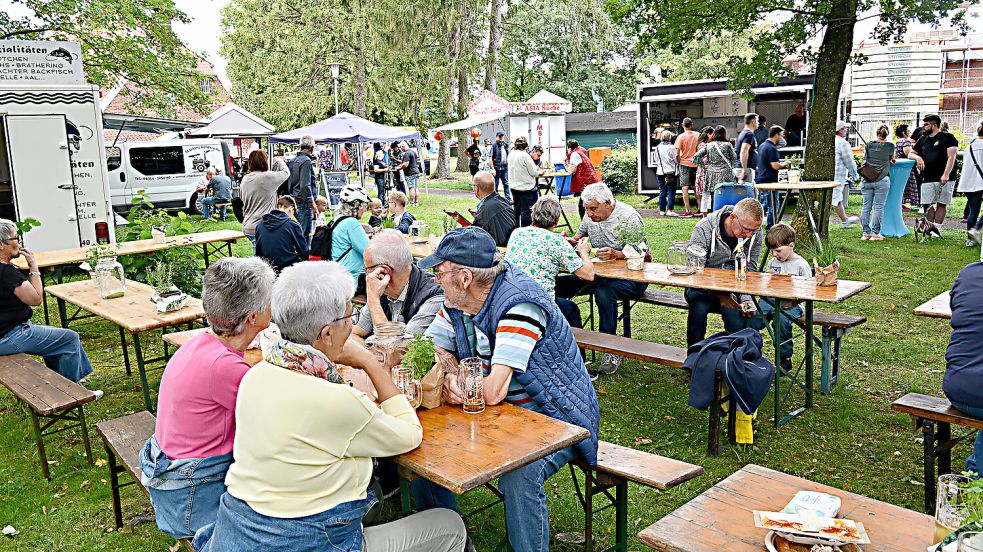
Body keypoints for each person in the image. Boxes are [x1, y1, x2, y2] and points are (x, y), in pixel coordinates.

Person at [191, 261, 467, 552]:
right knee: (449, 525)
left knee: (373, 493)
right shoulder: (334, 400)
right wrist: (369, 361)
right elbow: (409, 434)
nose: (352, 324)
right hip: (307, 542)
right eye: (350, 316)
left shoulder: (255, 376)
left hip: (239, 534)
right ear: (326, 334)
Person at [411, 227, 600, 552]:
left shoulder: (519, 304)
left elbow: (494, 389)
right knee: (420, 447)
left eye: (439, 272)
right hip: (498, 415)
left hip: (557, 420)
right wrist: (456, 374)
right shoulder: (458, 301)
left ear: (464, 277)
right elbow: (431, 348)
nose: (435, 280)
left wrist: (462, 385)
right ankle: (449, 541)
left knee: (520, 475)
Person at [141, 257, 275, 540]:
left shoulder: (202, 344)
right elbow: (278, 420)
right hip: (191, 500)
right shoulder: (225, 367)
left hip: (174, 480)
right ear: (253, 317)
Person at [555, 182, 647, 376]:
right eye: (586, 209)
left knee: (604, 291)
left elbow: (644, 254)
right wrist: (570, 241)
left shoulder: (629, 217)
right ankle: (563, 344)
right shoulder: (590, 217)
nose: (588, 214)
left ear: (608, 203)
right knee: (557, 285)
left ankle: (610, 348)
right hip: (597, 274)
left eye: (593, 209)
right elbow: (578, 236)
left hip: (633, 278)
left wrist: (617, 253)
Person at [0, 219, 99, 392]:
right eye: (16, 238)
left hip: (6, 332)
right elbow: (36, 299)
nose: (20, 242)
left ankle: (58, 385)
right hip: (9, 336)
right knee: (69, 339)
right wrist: (33, 265)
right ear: (1, 244)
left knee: (54, 343)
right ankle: (72, 392)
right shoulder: (6, 273)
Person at [684, 198, 764, 348]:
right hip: (701, 288)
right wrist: (721, 295)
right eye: (746, 229)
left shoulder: (755, 232)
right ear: (732, 217)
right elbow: (695, 272)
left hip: (733, 289)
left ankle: (733, 359)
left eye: (753, 231)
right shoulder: (704, 229)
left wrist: (746, 297)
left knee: (736, 318)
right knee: (699, 307)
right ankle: (694, 355)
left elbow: (750, 269)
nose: (749, 235)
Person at [505, 196, 594, 329]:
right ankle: (574, 349)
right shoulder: (556, 242)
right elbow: (588, 274)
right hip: (539, 303)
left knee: (564, 286)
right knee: (571, 309)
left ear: (533, 214)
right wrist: (583, 252)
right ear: (557, 220)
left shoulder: (517, 233)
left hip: (511, 297)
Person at [350, 230, 444, 343]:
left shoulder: (434, 296)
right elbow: (358, 331)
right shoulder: (382, 288)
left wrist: (373, 299)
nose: (367, 275)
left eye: (367, 269)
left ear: (384, 272)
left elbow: (399, 350)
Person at [747, 224, 810, 372]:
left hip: (792, 304)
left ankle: (784, 358)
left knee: (780, 321)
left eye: (778, 251)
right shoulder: (773, 263)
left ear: (791, 245)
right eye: (772, 251)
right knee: (751, 317)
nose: (775, 254)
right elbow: (766, 283)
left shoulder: (801, 265)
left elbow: (808, 290)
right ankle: (750, 353)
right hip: (770, 300)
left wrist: (793, 298)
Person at [943, 261, 983, 475]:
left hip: (958, 387)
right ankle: (977, 472)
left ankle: (977, 469)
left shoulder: (969, 273)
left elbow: (957, 306)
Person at [910, 114, 959, 235]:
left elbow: (951, 157)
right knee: (926, 203)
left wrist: (946, 174)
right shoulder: (923, 139)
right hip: (927, 176)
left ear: (934, 125)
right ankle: (929, 227)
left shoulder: (948, 137)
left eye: (926, 124)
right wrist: (918, 158)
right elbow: (911, 153)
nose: (923, 127)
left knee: (942, 203)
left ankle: (937, 229)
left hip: (945, 176)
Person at [326, 184, 371, 294]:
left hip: (336, 278)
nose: (365, 210)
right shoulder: (351, 222)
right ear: (356, 205)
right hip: (352, 281)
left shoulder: (336, 220)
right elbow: (369, 251)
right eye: (364, 206)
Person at [240, 151, 290, 248]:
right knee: (263, 260)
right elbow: (286, 173)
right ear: (264, 162)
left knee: (261, 257)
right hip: (262, 227)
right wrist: (278, 160)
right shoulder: (266, 177)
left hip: (248, 225)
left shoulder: (245, 178)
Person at [255, 196, 310, 273]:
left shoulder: (260, 223)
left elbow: (258, 251)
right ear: (291, 209)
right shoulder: (292, 225)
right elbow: (304, 252)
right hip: (287, 269)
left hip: (265, 268)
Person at [860, 125, 895, 241]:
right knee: (878, 207)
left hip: (867, 179)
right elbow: (892, 159)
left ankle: (865, 233)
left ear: (877, 133)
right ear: (887, 134)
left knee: (866, 207)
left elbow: (866, 159)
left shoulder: (869, 145)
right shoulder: (890, 146)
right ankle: (875, 233)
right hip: (882, 180)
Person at [694, 126, 737, 212]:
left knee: (713, 194)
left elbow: (696, 157)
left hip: (711, 173)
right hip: (726, 174)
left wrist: (704, 166)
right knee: (726, 194)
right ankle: (725, 212)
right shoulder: (728, 145)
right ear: (724, 134)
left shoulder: (709, 145)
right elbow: (734, 158)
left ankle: (713, 213)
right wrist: (731, 166)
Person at [471, 171, 516, 247]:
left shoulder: (484, 210)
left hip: (497, 250)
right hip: (511, 245)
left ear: (476, 188)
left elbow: (475, 238)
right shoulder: (504, 201)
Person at [287, 135, 318, 244]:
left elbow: (290, 182)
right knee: (305, 236)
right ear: (312, 148)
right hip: (303, 202)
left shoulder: (292, 161)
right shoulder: (306, 161)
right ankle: (303, 258)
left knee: (301, 233)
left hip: (294, 200)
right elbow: (305, 185)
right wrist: (312, 203)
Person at [506, 136, 544, 227]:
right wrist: (540, 172)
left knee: (516, 210)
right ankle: (525, 229)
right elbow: (533, 172)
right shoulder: (525, 156)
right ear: (525, 146)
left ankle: (514, 228)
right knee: (526, 211)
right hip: (526, 188)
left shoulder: (511, 154)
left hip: (514, 187)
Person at [756, 126, 787, 227]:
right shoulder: (771, 148)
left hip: (761, 179)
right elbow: (775, 165)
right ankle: (770, 227)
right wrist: (785, 164)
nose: (782, 138)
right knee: (773, 206)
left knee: (763, 204)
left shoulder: (762, 146)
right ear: (776, 135)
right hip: (770, 182)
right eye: (781, 135)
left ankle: (757, 224)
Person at [833, 121, 862, 228]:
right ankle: (845, 220)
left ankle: (845, 220)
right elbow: (849, 161)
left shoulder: (830, 141)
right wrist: (855, 175)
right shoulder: (843, 143)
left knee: (837, 198)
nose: (846, 130)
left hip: (833, 175)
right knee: (835, 198)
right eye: (844, 128)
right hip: (838, 175)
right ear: (840, 130)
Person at [959, 122, 983, 246]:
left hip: (968, 182)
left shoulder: (969, 147)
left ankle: (970, 239)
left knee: (973, 211)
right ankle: (976, 228)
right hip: (981, 181)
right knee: (974, 211)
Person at [564, 139, 601, 219]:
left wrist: (565, 164)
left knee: (583, 206)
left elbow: (571, 171)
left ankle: (585, 226)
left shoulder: (574, 154)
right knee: (589, 204)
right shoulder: (581, 152)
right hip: (592, 181)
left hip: (586, 183)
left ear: (569, 148)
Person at [675, 118, 700, 216]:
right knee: (696, 187)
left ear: (682, 125)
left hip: (684, 164)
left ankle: (687, 210)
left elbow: (677, 153)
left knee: (684, 187)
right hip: (695, 164)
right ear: (691, 124)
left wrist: (678, 161)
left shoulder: (680, 137)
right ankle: (700, 209)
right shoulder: (698, 135)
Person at [894, 124, 920, 208]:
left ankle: (901, 203)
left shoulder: (898, 141)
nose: (909, 132)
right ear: (903, 132)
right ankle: (904, 204)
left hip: (900, 167)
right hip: (906, 167)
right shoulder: (906, 142)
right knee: (908, 185)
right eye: (908, 130)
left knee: (901, 186)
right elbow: (908, 154)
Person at [654, 130, 679, 216]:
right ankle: (670, 210)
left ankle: (662, 210)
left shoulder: (657, 147)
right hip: (670, 172)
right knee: (671, 191)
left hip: (660, 171)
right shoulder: (672, 147)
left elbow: (656, 160)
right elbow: (676, 160)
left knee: (662, 191)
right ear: (669, 137)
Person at [694, 126, 714, 215]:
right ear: (709, 134)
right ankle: (706, 214)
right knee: (706, 194)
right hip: (705, 173)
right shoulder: (704, 145)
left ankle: (705, 213)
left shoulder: (701, 144)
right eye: (713, 134)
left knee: (705, 194)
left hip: (701, 172)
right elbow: (705, 160)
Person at [737, 113, 759, 185]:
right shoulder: (749, 134)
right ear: (753, 121)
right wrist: (744, 169)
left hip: (743, 168)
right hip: (746, 169)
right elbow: (744, 151)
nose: (758, 123)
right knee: (749, 193)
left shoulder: (742, 133)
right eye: (757, 121)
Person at [398, 141, 421, 207]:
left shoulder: (407, 154)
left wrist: (399, 167)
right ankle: (416, 203)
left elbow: (405, 165)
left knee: (411, 188)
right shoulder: (413, 151)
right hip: (416, 171)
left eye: (400, 148)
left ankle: (411, 203)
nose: (401, 149)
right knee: (416, 188)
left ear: (403, 146)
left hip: (410, 173)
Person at [490, 131, 511, 201]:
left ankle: (508, 198)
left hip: (505, 167)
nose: (501, 138)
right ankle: (495, 197)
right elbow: (490, 158)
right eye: (499, 136)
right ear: (496, 137)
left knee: (506, 183)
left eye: (502, 136)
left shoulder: (505, 145)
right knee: (496, 183)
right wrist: (493, 169)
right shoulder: (494, 145)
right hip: (497, 168)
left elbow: (508, 155)